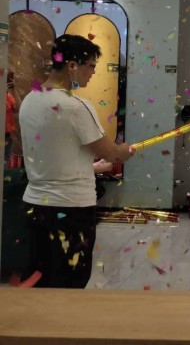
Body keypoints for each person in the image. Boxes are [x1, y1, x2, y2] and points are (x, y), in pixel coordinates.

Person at [20, 34, 133, 288]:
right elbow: (112, 153)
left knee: (38, 280)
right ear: (72, 65)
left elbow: (52, 153)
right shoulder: (76, 106)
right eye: (91, 65)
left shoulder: (30, 99)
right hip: (71, 210)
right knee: (70, 283)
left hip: (35, 206)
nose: (92, 73)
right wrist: (123, 151)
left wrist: (90, 167)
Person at [5, 71, 21, 165]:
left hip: (6, 138)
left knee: (4, 166)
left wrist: (14, 89)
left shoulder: (8, 96)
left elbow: (18, 108)